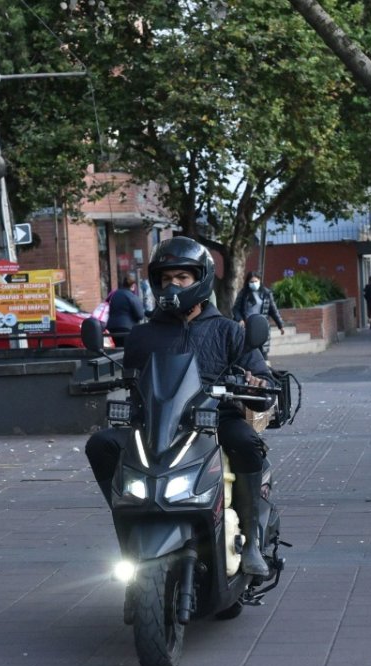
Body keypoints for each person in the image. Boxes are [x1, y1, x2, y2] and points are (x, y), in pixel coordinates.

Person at [84, 237, 274, 576]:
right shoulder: (142, 337)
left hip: (215, 422)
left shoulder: (229, 331)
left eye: (182, 277)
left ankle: (251, 541)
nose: (173, 284)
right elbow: (135, 383)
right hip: (157, 426)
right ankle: (129, 532)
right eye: (166, 278)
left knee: (246, 443)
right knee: (101, 444)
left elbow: (261, 379)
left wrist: (257, 384)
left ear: (200, 280)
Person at [231, 272, 287, 354]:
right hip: (247, 326)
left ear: (260, 281)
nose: (254, 284)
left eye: (256, 281)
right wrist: (240, 319)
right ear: (248, 282)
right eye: (251, 282)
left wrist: (280, 325)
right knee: (247, 351)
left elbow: (273, 311)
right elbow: (236, 309)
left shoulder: (266, 293)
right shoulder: (244, 293)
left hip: (262, 325)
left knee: (262, 351)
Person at [104, 274, 145, 347]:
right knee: (127, 350)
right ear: (133, 285)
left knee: (118, 350)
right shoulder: (131, 296)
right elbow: (140, 315)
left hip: (112, 328)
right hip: (127, 328)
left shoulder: (115, 294)